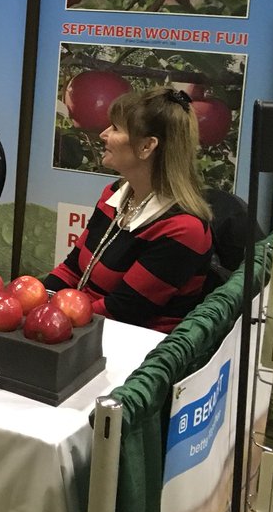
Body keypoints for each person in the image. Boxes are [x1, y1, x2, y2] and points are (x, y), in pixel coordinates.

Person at [43, 86, 213, 333]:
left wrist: (52, 317)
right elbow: (72, 268)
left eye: (115, 128)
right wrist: (42, 300)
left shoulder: (184, 230)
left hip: (134, 345)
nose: (103, 134)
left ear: (147, 147)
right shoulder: (113, 195)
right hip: (85, 325)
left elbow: (125, 310)